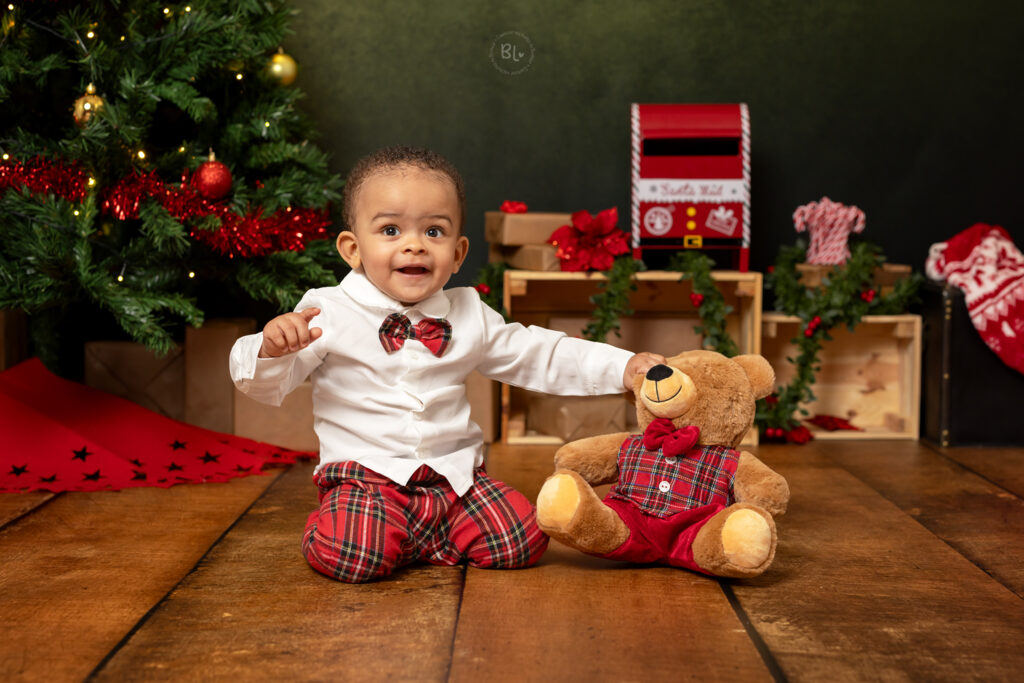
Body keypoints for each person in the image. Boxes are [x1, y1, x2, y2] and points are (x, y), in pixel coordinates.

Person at [229, 145, 665, 583]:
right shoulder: (327, 310)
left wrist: (623, 367)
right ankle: (356, 527)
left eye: (434, 232)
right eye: (391, 230)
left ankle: (423, 536)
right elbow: (265, 385)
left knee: (522, 537)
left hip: (452, 479)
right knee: (353, 553)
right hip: (367, 478)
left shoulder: (469, 312)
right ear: (352, 249)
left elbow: (537, 353)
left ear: (457, 254)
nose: (415, 245)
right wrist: (271, 349)